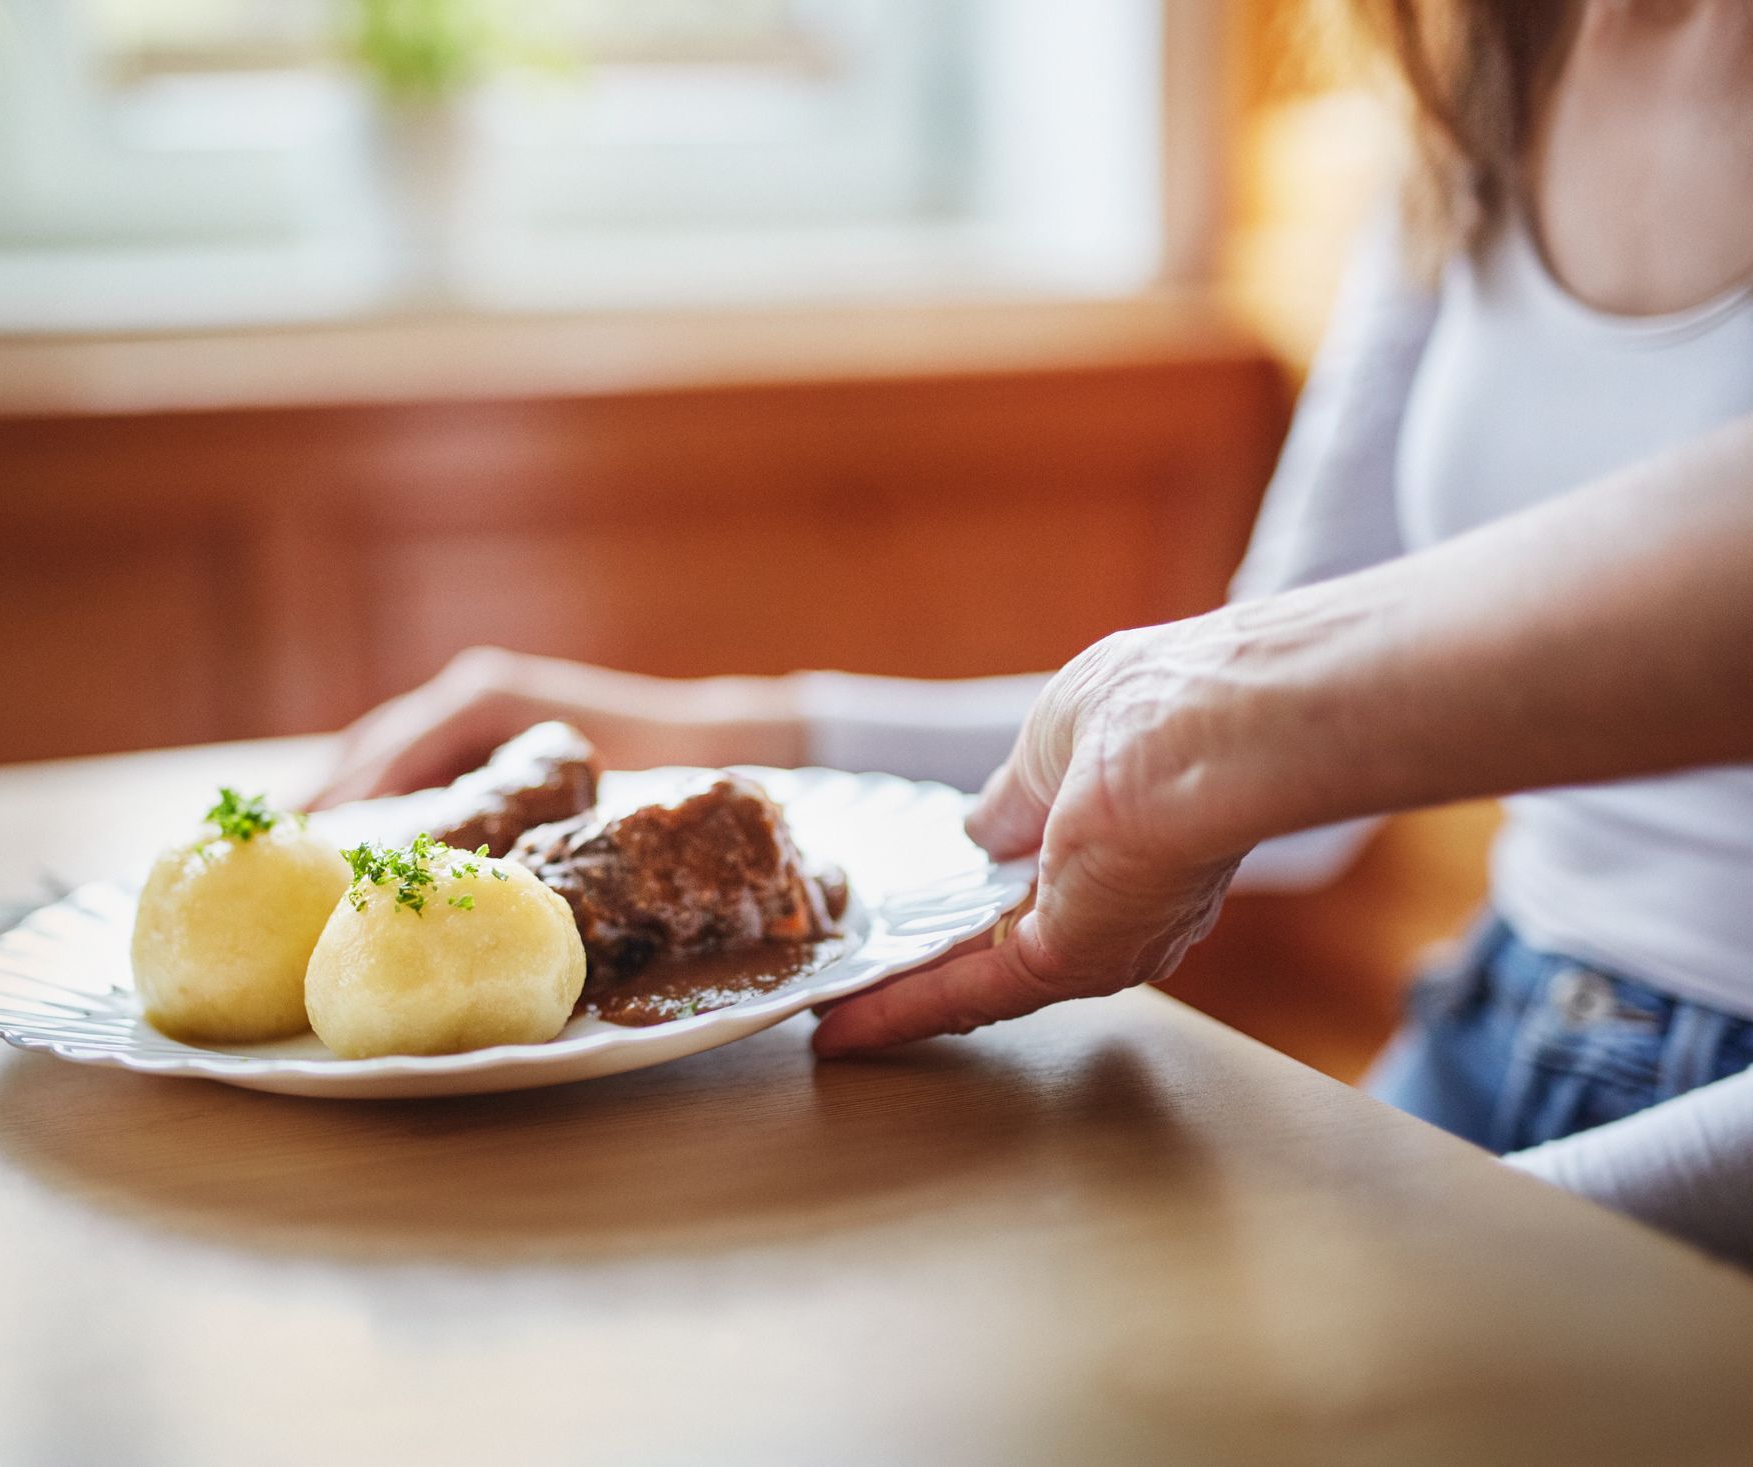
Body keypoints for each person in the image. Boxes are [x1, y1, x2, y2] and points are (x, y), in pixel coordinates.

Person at [314, 0, 1753, 1264]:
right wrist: (734, 741)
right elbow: (1282, 714)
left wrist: (1511, 1244)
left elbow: (1250, 721)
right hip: (1502, 1011)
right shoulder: (1482, 57)